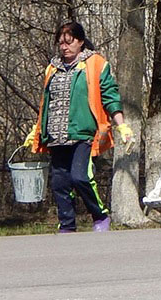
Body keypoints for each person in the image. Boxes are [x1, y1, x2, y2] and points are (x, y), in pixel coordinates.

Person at [24, 20, 133, 233]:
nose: (64, 47)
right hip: (56, 135)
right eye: (61, 43)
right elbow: (46, 103)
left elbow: (110, 95)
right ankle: (67, 225)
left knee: (80, 176)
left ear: (81, 41)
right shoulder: (52, 68)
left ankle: (100, 215)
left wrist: (121, 126)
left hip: (83, 133)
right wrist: (37, 130)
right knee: (59, 183)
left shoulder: (95, 64)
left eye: (69, 42)